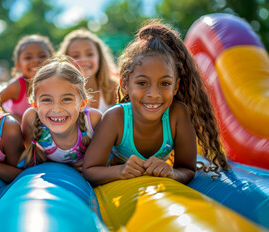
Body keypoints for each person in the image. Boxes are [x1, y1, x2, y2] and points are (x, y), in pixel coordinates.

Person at [83, 20, 230, 185]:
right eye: (142, 83)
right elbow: (90, 169)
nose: (154, 94)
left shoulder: (177, 115)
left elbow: (187, 169)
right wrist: (120, 171)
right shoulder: (116, 118)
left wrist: (173, 173)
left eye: (165, 83)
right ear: (124, 84)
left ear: (176, 86)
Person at [18, 55, 102, 172]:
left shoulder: (93, 120)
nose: (56, 109)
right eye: (47, 100)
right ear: (35, 105)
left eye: (66, 99)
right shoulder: (30, 119)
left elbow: (110, 157)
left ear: (82, 104)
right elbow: (29, 151)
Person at [58, 29, 119, 112]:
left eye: (90, 54)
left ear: (100, 57)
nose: (83, 59)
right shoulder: (59, 90)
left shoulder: (114, 87)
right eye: (75, 56)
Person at [0, 35, 55, 122]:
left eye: (42, 56)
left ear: (52, 61)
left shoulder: (57, 84)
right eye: (28, 57)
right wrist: (13, 118)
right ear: (18, 65)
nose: (36, 60)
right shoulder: (17, 86)